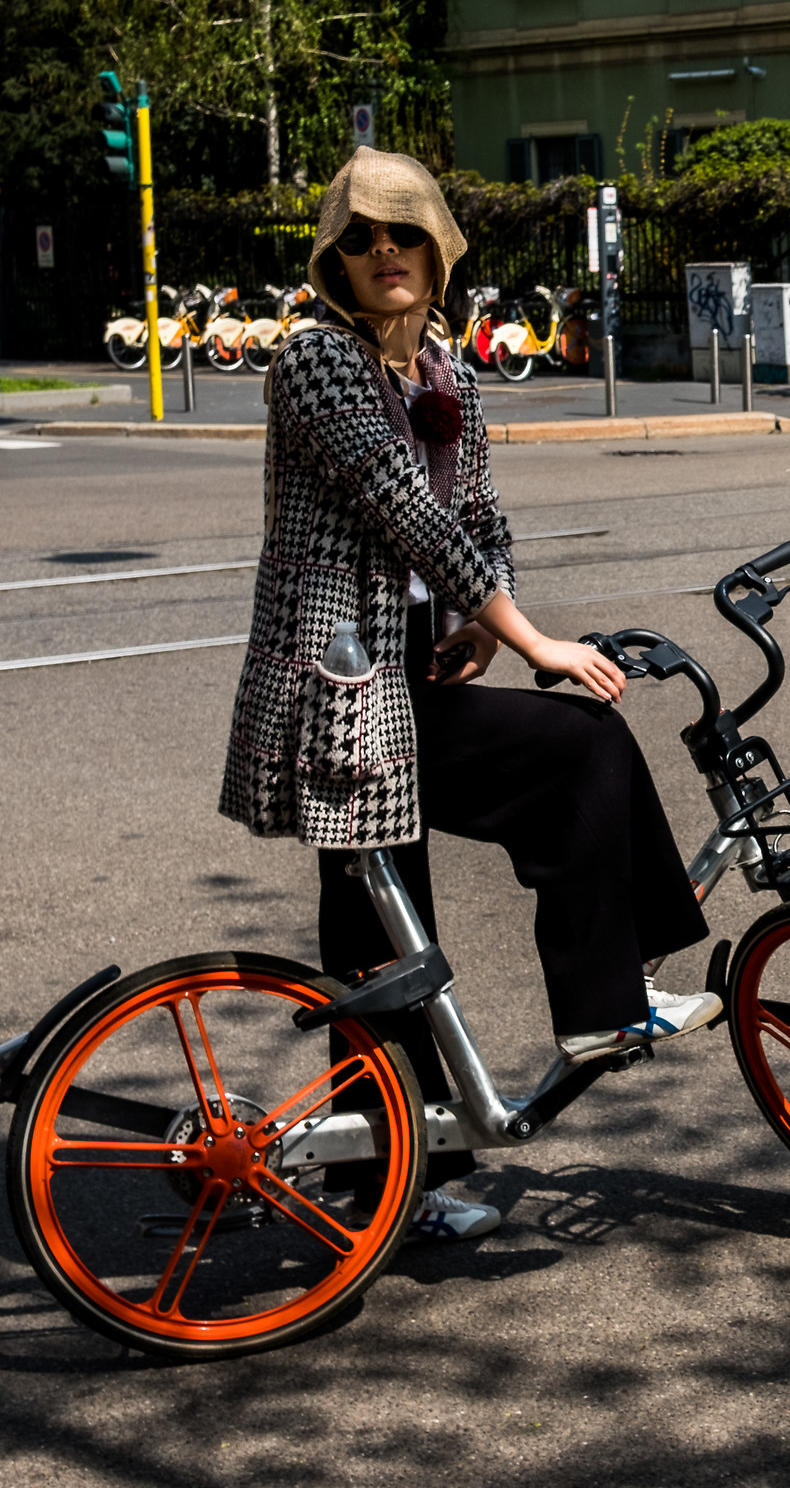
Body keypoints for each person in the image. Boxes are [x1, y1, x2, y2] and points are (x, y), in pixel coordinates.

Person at [219, 147, 716, 1244]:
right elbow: (405, 510)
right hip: (339, 675)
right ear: (335, 263)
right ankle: (402, 1173)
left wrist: (483, 639)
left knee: (558, 762)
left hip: (419, 656)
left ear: (440, 249)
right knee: (383, 930)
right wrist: (533, 637)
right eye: (359, 239)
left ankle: (593, 1013)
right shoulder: (317, 363)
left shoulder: (446, 363)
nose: (383, 252)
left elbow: (479, 512)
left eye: (403, 233)